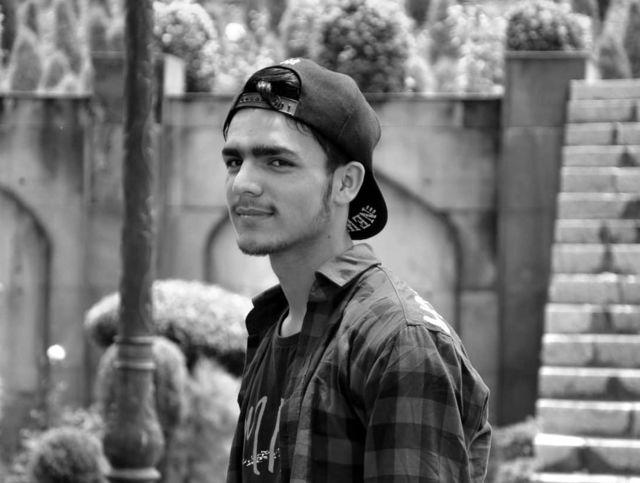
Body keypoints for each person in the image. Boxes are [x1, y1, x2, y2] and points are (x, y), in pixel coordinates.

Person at [221, 58, 491, 482]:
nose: (242, 184)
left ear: (346, 183)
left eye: (277, 162)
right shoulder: (273, 328)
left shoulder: (399, 341)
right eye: (234, 162)